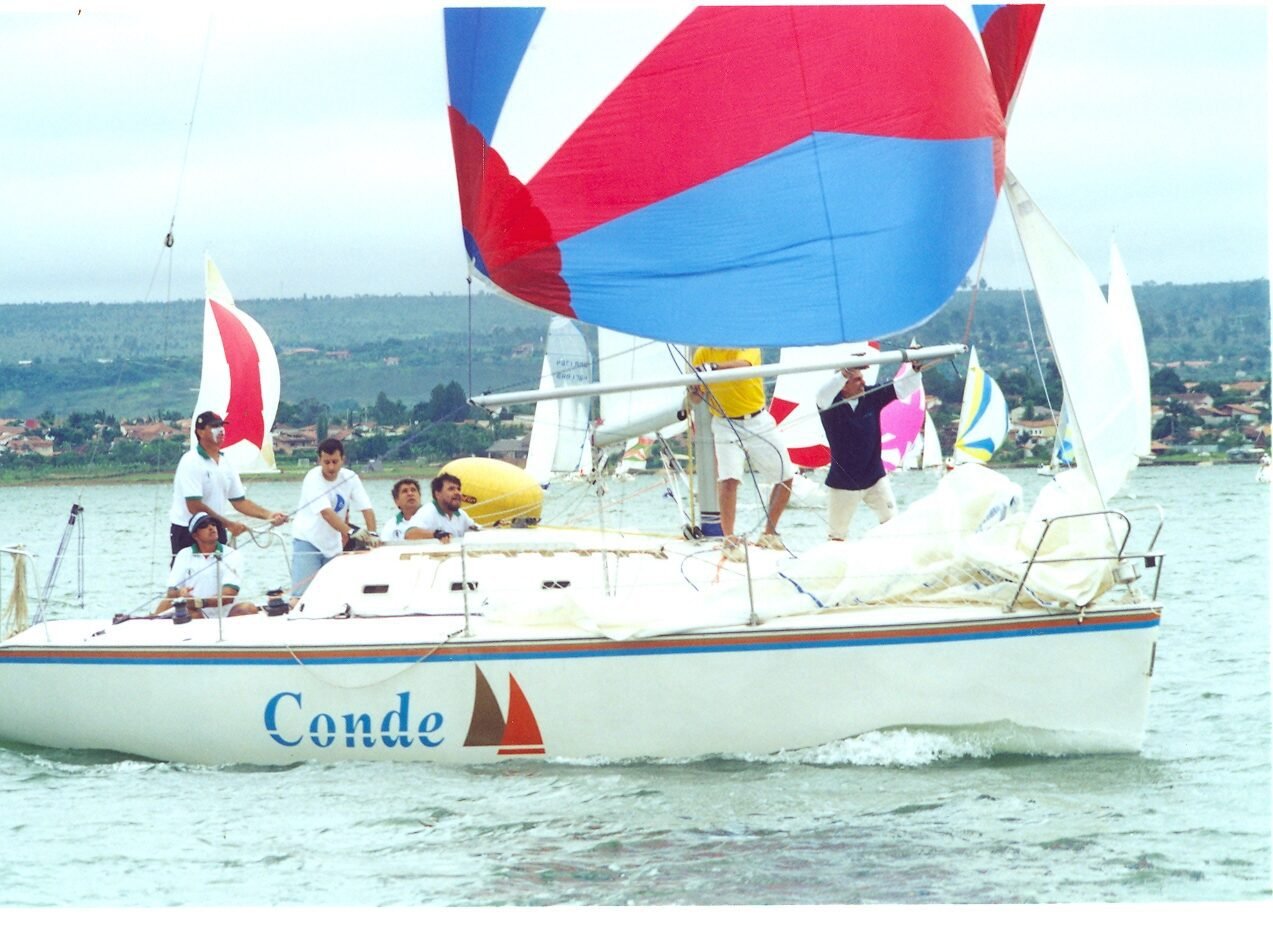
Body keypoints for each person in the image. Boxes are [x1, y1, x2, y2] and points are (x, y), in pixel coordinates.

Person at [688, 346, 795, 559]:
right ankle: (729, 539)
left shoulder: (746, 345)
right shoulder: (702, 352)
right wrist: (693, 389)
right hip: (724, 422)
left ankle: (769, 533)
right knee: (729, 479)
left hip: (757, 419)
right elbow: (697, 399)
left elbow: (744, 365)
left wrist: (712, 367)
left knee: (786, 477)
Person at [815, 360, 922, 541]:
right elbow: (821, 395)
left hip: (874, 477)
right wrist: (844, 372)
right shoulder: (830, 404)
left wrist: (914, 368)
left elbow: (902, 387)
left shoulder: (871, 396)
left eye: (862, 378)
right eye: (857, 380)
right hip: (844, 482)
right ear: (843, 386)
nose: (863, 383)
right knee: (837, 536)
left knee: (892, 523)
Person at [168, 410, 288, 558]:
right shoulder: (191, 461)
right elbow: (194, 506)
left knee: (221, 570)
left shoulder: (226, 463)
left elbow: (240, 502)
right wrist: (229, 524)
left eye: (221, 425)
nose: (220, 430)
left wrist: (269, 515)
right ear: (200, 432)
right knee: (189, 572)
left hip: (216, 530)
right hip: (188, 531)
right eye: (214, 426)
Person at [289, 438, 378, 602]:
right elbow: (327, 514)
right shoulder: (312, 478)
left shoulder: (350, 477)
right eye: (327, 462)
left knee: (335, 596)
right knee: (301, 597)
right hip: (307, 540)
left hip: (333, 544)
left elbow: (367, 508)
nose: (331, 467)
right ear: (319, 460)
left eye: (335, 462)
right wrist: (351, 532)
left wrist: (372, 534)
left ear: (343, 459)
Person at [156, 512, 258, 618]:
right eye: (204, 525)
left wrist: (199, 602)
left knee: (248, 608)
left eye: (213, 524)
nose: (211, 527)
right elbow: (171, 591)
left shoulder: (232, 554)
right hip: (195, 612)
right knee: (180, 608)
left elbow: (228, 595)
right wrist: (180, 593)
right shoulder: (184, 554)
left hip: (226, 614)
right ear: (195, 535)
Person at [416, 473, 480, 542]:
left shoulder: (461, 514)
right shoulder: (427, 512)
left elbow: (476, 529)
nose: (457, 493)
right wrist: (437, 534)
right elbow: (410, 533)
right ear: (437, 494)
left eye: (458, 489)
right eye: (451, 489)